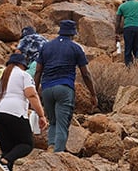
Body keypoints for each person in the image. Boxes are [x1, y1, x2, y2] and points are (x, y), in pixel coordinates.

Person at [34, 20, 97, 153]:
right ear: (73, 34)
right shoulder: (75, 48)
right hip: (64, 87)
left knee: (53, 122)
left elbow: (38, 70)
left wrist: (35, 91)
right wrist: (93, 94)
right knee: (62, 125)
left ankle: (51, 146)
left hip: (46, 89)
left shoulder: (46, 46)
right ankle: (58, 155)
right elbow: (85, 74)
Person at [0, 53, 48, 171]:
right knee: (26, 144)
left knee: (8, 148)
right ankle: (3, 161)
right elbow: (32, 95)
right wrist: (41, 115)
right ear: (23, 65)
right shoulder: (24, 75)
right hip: (15, 111)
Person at [115, 0, 138, 66]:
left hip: (128, 28)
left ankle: (129, 67)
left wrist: (117, 31)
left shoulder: (122, 6)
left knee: (128, 48)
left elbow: (118, 21)